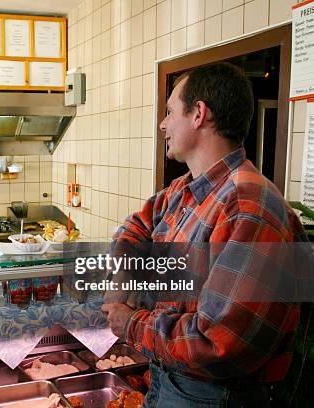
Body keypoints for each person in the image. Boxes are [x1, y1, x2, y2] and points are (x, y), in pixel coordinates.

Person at [101, 63, 308, 407]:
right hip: (169, 379)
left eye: (169, 111)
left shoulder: (248, 206)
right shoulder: (183, 190)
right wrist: (125, 274)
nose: (162, 124)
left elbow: (219, 343)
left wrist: (131, 323)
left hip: (213, 395)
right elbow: (133, 228)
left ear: (198, 114)